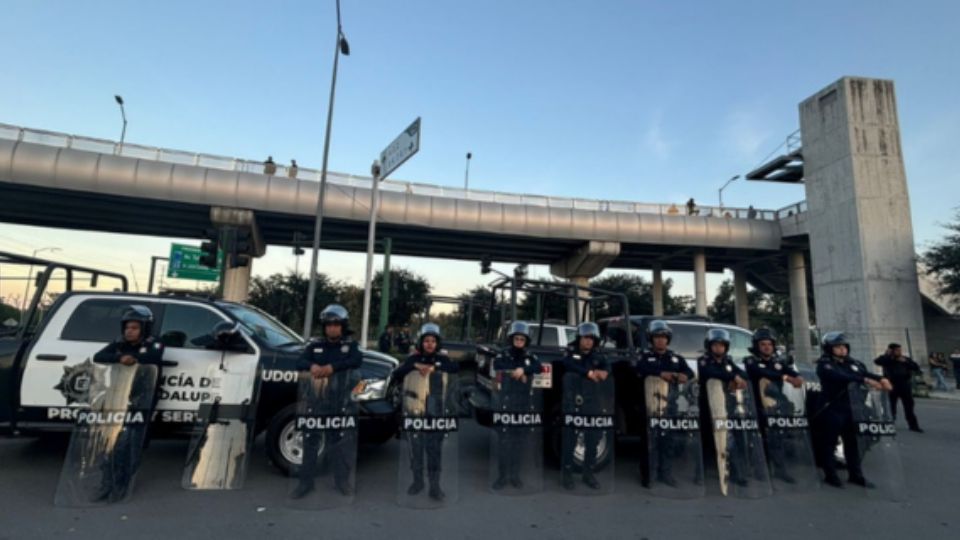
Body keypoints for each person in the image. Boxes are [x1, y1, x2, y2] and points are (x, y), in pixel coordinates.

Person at [90, 305, 165, 502]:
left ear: (144, 329)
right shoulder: (119, 344)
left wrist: (135, 358)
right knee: (112, 441)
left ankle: (122, 485)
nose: (129, 331)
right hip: (119, 397)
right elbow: (98, 356)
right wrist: (119, 357)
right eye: (127, 327)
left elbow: (154, 357)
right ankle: (106, 484)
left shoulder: (154, 343)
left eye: (134, 328)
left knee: (130, 444)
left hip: (141, 400)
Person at [291, 304, 362, 498]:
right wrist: (312, 365)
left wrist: (333, 367)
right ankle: (305, 484)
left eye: (336, 324)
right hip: (316, 402)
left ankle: (342, 482)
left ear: (343, 326)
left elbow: (356, 360)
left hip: (339, 403)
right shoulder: (315, 346)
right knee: (310, 442)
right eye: (329, 325)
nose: (332, 328)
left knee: (338, 444)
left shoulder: (349, 346)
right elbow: (299, 362)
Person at [814, 332, 893, 488]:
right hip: (832, 408)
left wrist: (881, 379)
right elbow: (841, 376)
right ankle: (830, 475)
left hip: (853, 408)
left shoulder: (853, 363)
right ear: (829, 348)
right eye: (837, 347)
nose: (842, 350)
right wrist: (865, 380)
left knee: (854, 442)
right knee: (829, 443)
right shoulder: (825, 364)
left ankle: (855, 475)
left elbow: (863, 373)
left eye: (844, 346)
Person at [393, 323, 459, 501]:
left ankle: (435, 486)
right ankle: (417, 482)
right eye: (426, 341)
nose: (429, 344)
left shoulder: (442, 359)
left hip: (436, 411)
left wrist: (434, 367)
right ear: (420, 342)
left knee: (434, 450)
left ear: (438, 343)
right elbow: (397, 374)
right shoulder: (412, 359)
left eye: (433, 341)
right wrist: (415, 365)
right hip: (415, 409)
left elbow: (455, 368)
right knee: (416, 449)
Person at [636, 320, 695, 488]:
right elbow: (639, 369)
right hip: (650, 406)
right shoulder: (645, 357)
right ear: (651, 339)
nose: (660, 340)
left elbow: (689, 373)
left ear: (668, 339)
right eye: (656, 337)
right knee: (649, 441)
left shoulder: (676, 358)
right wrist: (660, 373)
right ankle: (648, 475)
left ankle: (666, 473)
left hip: (671, 406)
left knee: (668, 442)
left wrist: (685, 376)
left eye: (663, 337)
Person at [743, 328, 805, 484]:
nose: (767, 347)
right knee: (760, 439)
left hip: (776, 406)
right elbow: (762, 373)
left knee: (777, 438)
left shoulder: (777, 363)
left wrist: (797, 377)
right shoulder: (751, 361)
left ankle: (780, 470)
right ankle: (759, 470)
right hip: (757, 406)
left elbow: (792, 372)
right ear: (757, 346)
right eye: (763, 344)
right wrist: (786, 377)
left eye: (769, 344)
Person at [697, 328, 751, 488]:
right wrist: (732, 376)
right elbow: (710, 372)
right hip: (707, 408)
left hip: (725, 408)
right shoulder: (704, 360)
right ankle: (698, 474)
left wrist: (739, 379)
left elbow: (743, 373)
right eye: (715, 345)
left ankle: (736, 473)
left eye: (721, 345)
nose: (718, 348)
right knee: (704, 441)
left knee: (729, 440)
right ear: (709, 346)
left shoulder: (728, 362)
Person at [491, 321, 542, 490]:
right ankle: (502, 476)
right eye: (516, 338)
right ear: (511, 339)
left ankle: (515, 476)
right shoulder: (504, 354)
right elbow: (498, 365)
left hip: (523, 403)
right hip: (506, 402)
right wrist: (518, 371)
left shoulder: (530, 356)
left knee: (518, 441)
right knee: (504, 441)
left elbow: (539, 367)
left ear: (526, 341)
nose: (519, 341)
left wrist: (524, 371)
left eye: (522, 339)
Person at [561, 322, 610, 490]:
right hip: (573, 403)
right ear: (579, 338)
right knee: (570, 440)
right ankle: (567, 475)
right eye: (585, 338)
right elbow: (567, 364)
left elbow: (607, 367)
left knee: (592, 440)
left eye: (591, 338)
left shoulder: (598, 356)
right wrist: (588, 373)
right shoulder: (570, 352)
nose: (588, 341)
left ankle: (588, 474)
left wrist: (605, 372)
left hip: (593, 404)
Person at [874, 343, 923, 432]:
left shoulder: (904, 359)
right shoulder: (887, 360)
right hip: (891, 386)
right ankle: (890, 424)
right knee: (891, 407)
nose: (899, 352)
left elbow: (916, 367)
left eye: (900, 350)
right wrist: (888, 355)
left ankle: (913, 426)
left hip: (904, 385)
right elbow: (877, 361)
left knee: (909, 406)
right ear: (891, 351)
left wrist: (906, 362)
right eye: (897, 350)